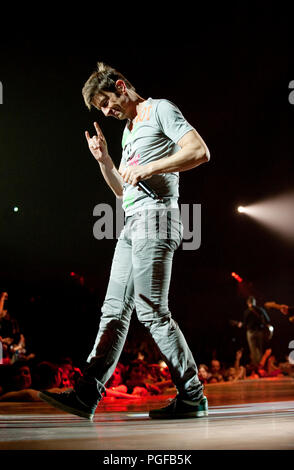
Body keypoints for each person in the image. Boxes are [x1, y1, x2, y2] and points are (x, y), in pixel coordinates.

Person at [39, 61, 210, 420]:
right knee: (114, 311)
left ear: (120, 85)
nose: (107, 111)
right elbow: (123, 191)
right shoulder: (128, 131)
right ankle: (87, 394)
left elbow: (199, 152)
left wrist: (149, 167)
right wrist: (104, 162)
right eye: (101, 108)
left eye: (106, 102)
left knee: (151, 310)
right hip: (133, 223)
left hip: (158, 219)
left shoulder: (160, 109)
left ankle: (193, 395)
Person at [238, 296, 272, 367]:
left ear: (248, 303)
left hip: (250, 332)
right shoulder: (260, 310)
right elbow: (268, 320)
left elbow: (244, 324)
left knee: (253, 350)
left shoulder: (247, 312)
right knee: (259, 349)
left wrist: (240, 324)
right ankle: (261, 365)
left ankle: (257, 366)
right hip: (259, 332)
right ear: (255, 302)